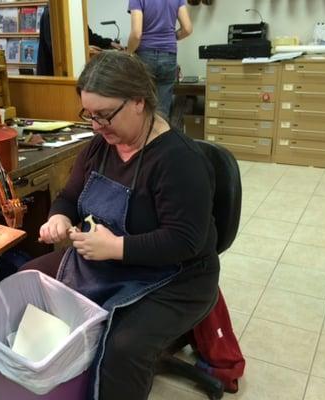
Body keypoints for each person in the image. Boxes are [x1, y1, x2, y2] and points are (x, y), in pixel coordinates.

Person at [21, 51, 219, 400]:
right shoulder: (100, 147)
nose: (97, 126)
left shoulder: (180, 161)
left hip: (180, 276)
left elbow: (185, 241)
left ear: (139, 101)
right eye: (90, 115)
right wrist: (59, 217)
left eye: (105, 115)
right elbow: (69, 196)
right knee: (28, 285)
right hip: (108, 261)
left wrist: (114, 247)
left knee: (123, 347)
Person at [127, 0, 193, 118]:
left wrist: (128, 53)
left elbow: (137, 34)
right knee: (162, 111)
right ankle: (161, 135)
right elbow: (187, 29)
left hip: (144, 55)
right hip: (169, 55)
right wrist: (171, 38)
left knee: (143, 110)